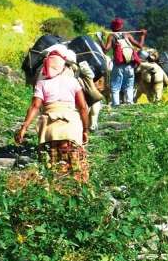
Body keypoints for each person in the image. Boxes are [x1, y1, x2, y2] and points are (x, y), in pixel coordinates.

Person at [15, 45, 91, 181]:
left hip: (49, 127)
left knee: (50, 164)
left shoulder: (42, 84)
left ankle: (52, 188)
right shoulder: (73, 82)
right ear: (63, 66)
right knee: (77, 165)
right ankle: (79, 189)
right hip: (71, 126)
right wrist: (85, 129)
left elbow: (35, 106)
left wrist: (24, 127)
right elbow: (83, 108)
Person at [102, 17, 146, 106]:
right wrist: (142, 35)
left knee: (115, 87)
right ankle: (129, 103)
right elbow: (140, 46)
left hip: (118, 66)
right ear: (121, 26)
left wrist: (100, 39)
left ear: (112, 27)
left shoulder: (111, 36)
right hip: (130, 66)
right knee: (129, 86)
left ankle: (116, 105)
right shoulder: (127, 35)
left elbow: (105, 50)